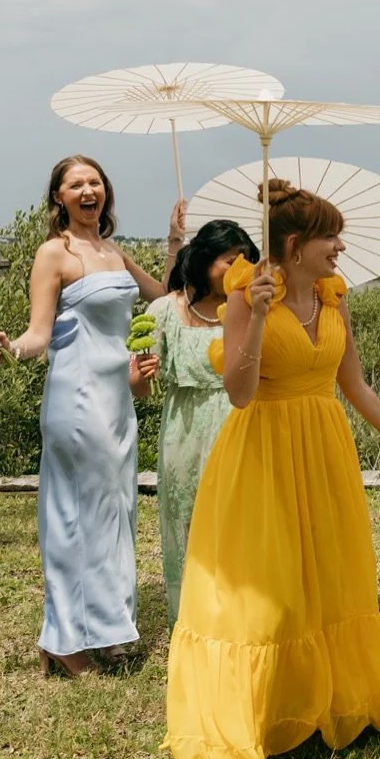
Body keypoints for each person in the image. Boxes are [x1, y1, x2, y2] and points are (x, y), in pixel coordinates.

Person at [163, 179, 380, 759]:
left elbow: (353, 384)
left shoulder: (334, 299)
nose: (340, 246)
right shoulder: (242, 299)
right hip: (260, 452)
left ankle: (324, 702)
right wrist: (255, 316)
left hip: (323, 448)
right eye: (329, 236)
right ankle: (246, 719)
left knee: (326, 577)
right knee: (267, 589)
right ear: (293, 244)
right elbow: (238, 391)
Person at [0, 156, 165, 677]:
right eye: (75, 184)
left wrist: (175, 242)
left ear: (105, 191)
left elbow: (167, 298)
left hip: (118, 399)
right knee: (78, 516)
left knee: (115, 512)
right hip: (77, 399)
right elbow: (39, 334)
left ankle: (105, 632)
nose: (88, 190)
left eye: (95, 181)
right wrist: (8, 348)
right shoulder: (53, 253)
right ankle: (64, 639)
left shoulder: (113, 252)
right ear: (58, 197)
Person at [148, 216, 260, 626]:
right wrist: (138, 374)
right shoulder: (165, 310)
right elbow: (138, 385)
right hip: (185, 429)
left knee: (239, 520)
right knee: (185, 515)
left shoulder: (251, 310)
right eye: (230, 261)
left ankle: (239, 612)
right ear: (205, 259)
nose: (239, 270)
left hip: (240, 425)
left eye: (246, 261)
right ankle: (192, 617)